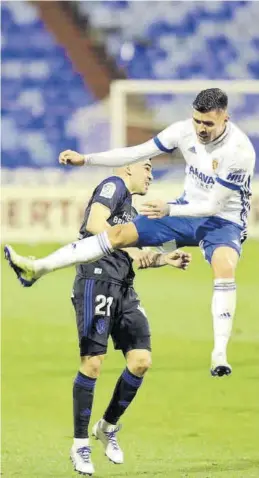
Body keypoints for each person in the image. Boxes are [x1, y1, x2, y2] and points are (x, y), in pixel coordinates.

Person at [5, 88, 255, 379]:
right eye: (197, 121)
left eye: (208, 124)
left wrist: (168, 209)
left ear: (225, 118)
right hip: (185, 210)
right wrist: (86, 159)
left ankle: (219, 353)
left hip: (222, 220)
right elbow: (137, 153)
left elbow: (213, 205)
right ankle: (37, 268)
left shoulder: (239, 152)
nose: (201, 129)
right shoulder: (183, 131)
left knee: (224, 266)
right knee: (119, 234)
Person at [6, 160, 191, 476]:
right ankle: (79, 444)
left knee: (141, 360)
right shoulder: (113, 185)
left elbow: (139, 257)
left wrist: (165, 259)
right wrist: (132, 251)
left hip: (125, 288)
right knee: (93, 363)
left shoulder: (131, 211)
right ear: (128, 168)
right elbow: (94, 223)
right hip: (95, 279)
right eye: (146, 166)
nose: (151, 173)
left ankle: (106, 427)